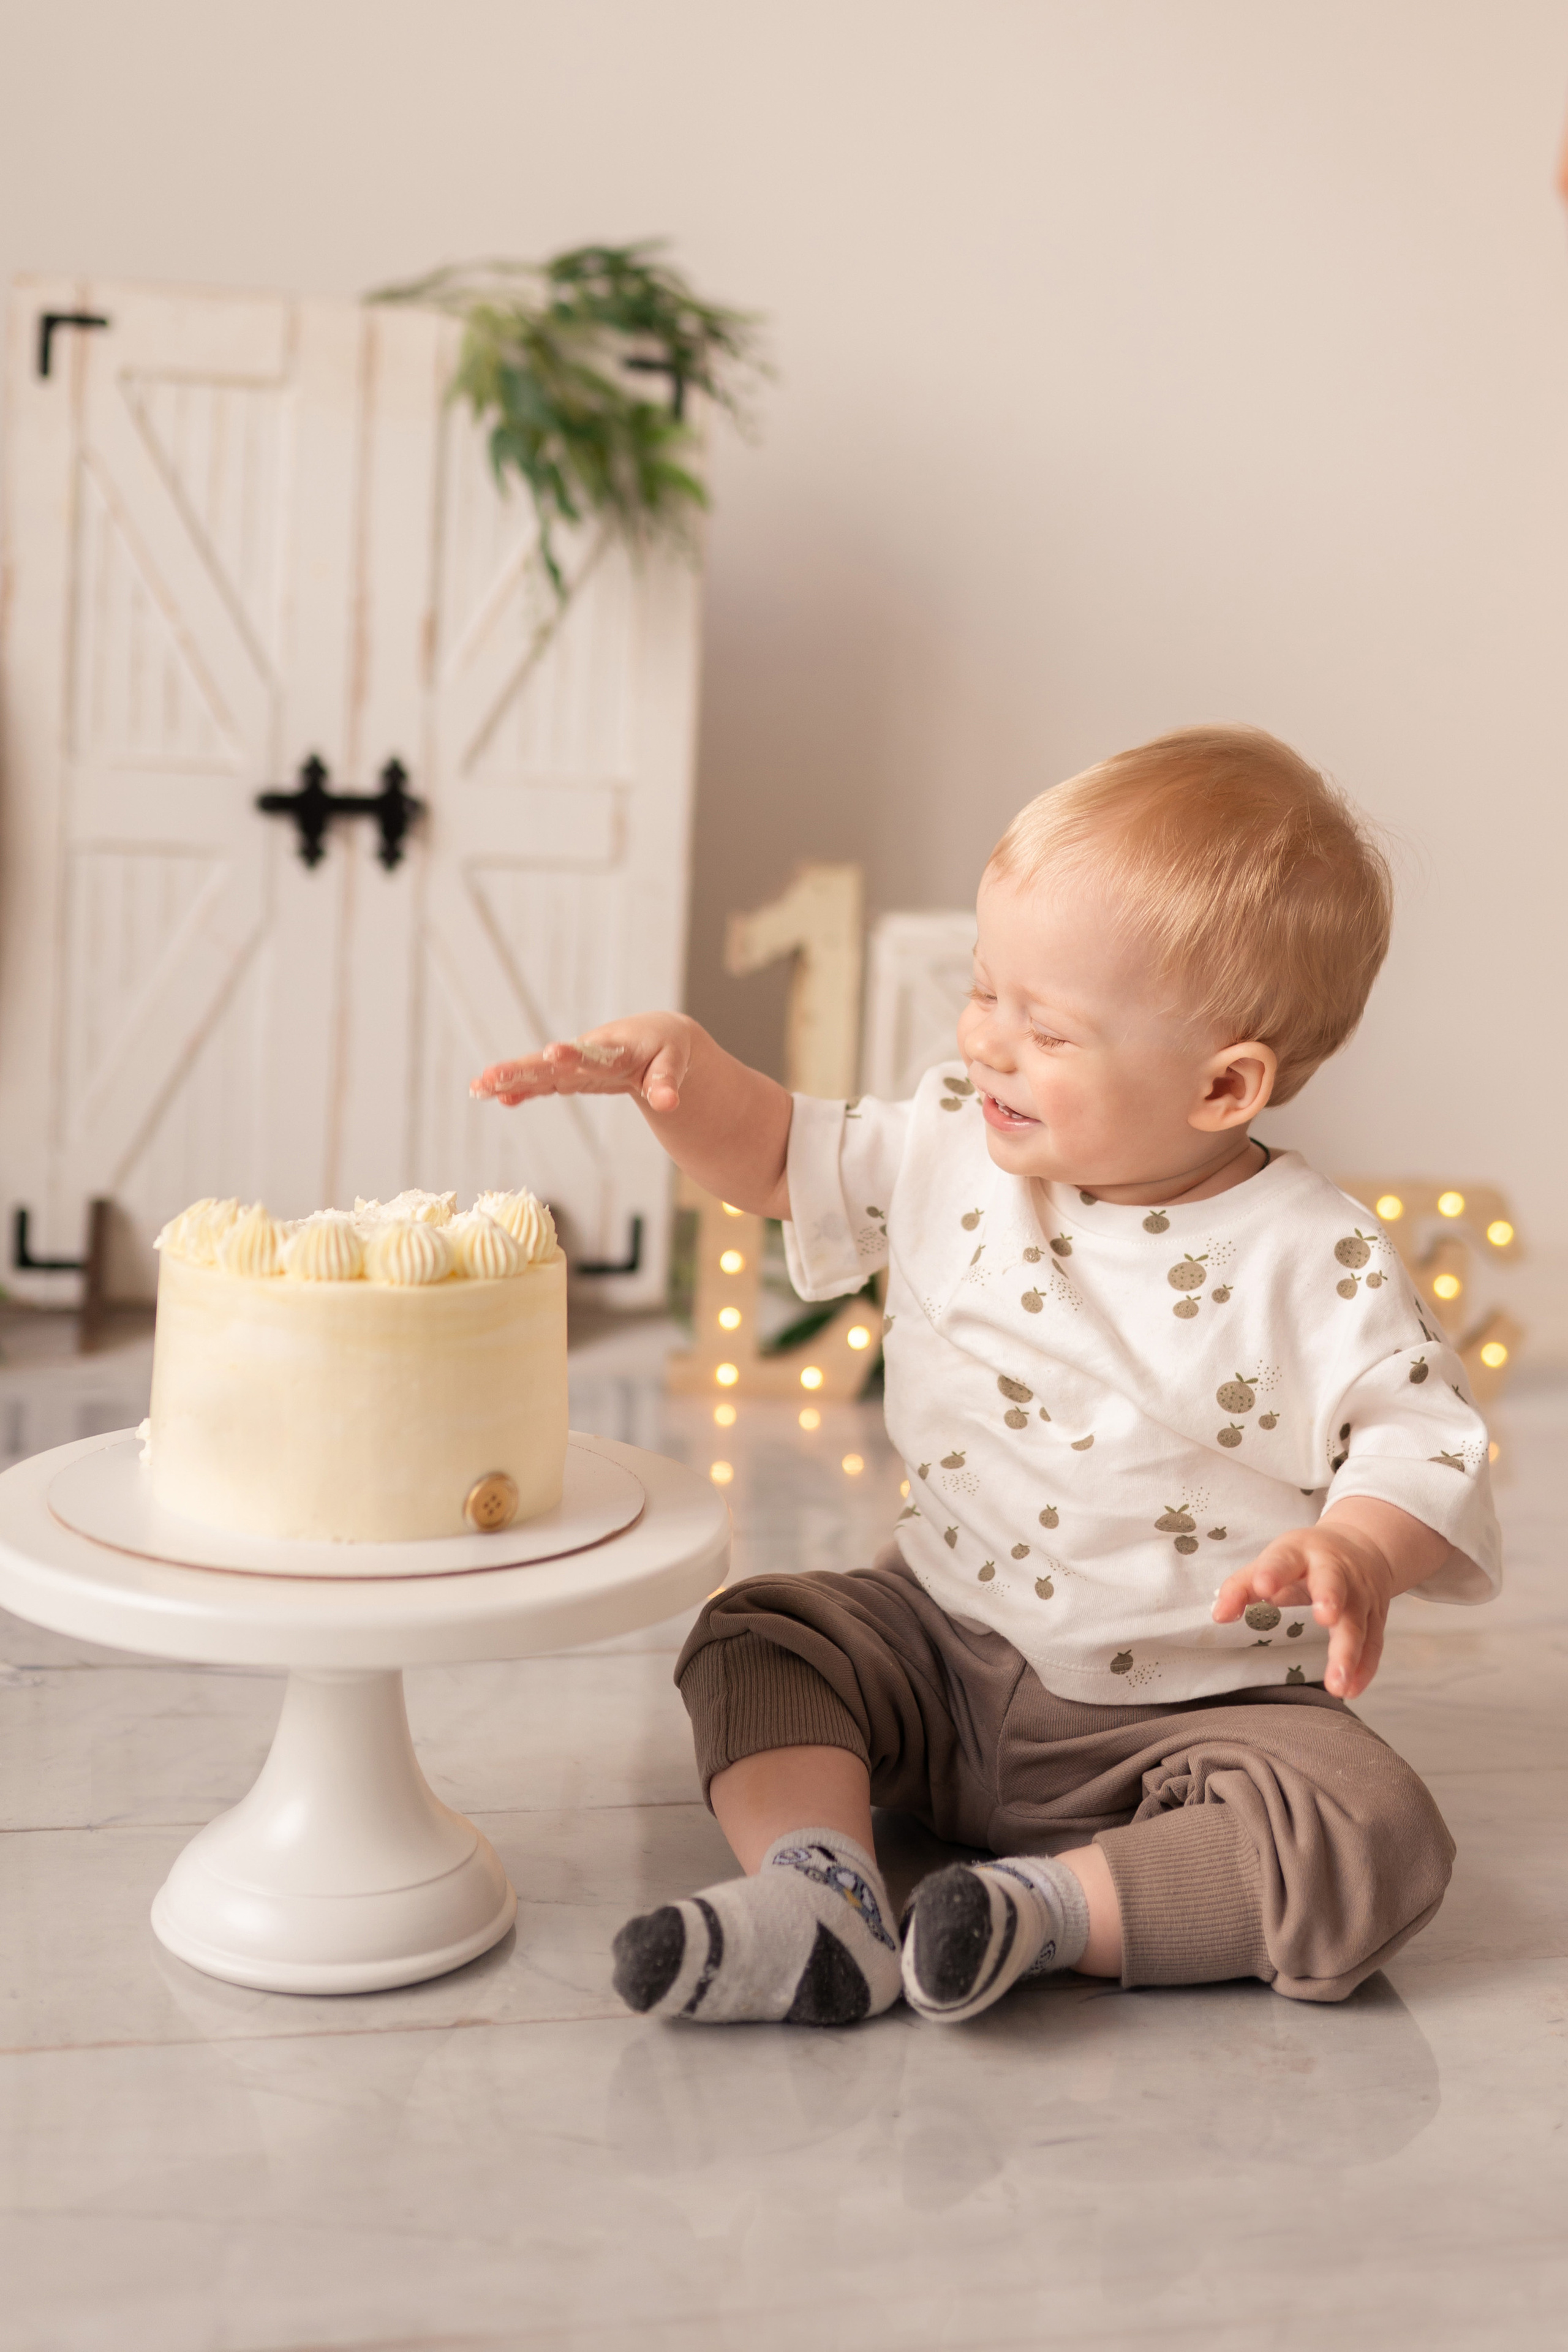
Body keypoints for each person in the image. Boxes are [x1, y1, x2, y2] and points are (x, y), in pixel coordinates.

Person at [472, 726, 1499, 2028]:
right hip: (939, 1646)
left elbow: (1421, 1440)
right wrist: (683, 1079)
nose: (986, 1045)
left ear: (1222, 1081)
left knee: (1369, 1832)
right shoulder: (957, 1147)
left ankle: (1045, 1912)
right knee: (760, 1633)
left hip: (1187, 1711)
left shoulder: (1312, 1255)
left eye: (1045, 1028)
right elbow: (788, 1154)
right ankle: (821, 1894)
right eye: (982, 990)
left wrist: (1356, 1546)